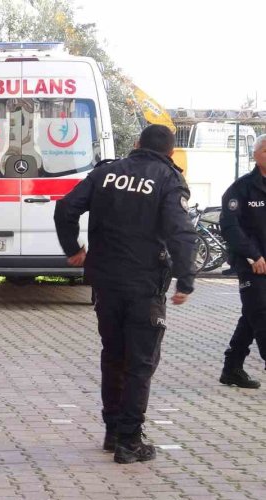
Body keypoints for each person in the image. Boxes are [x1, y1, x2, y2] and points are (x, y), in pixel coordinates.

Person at [54, 124, 196, 464]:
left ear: (137, 144)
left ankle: (113, 431)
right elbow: (181, 232)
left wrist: (73, 248)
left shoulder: (107, 173)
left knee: (113, 356)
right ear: (171, 152)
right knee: (140, 363)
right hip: (145, 286)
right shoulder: (167, 179)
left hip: (106, 283)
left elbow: (65, 208)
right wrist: (186, 278)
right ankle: (130, 440)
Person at [218, 134, 266, 389]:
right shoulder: (241, 188)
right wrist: (253, 255)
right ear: (256, 155)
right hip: (253, 265)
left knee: (251, 316)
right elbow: (230, 226)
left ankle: (232, 369)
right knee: (262, 314)